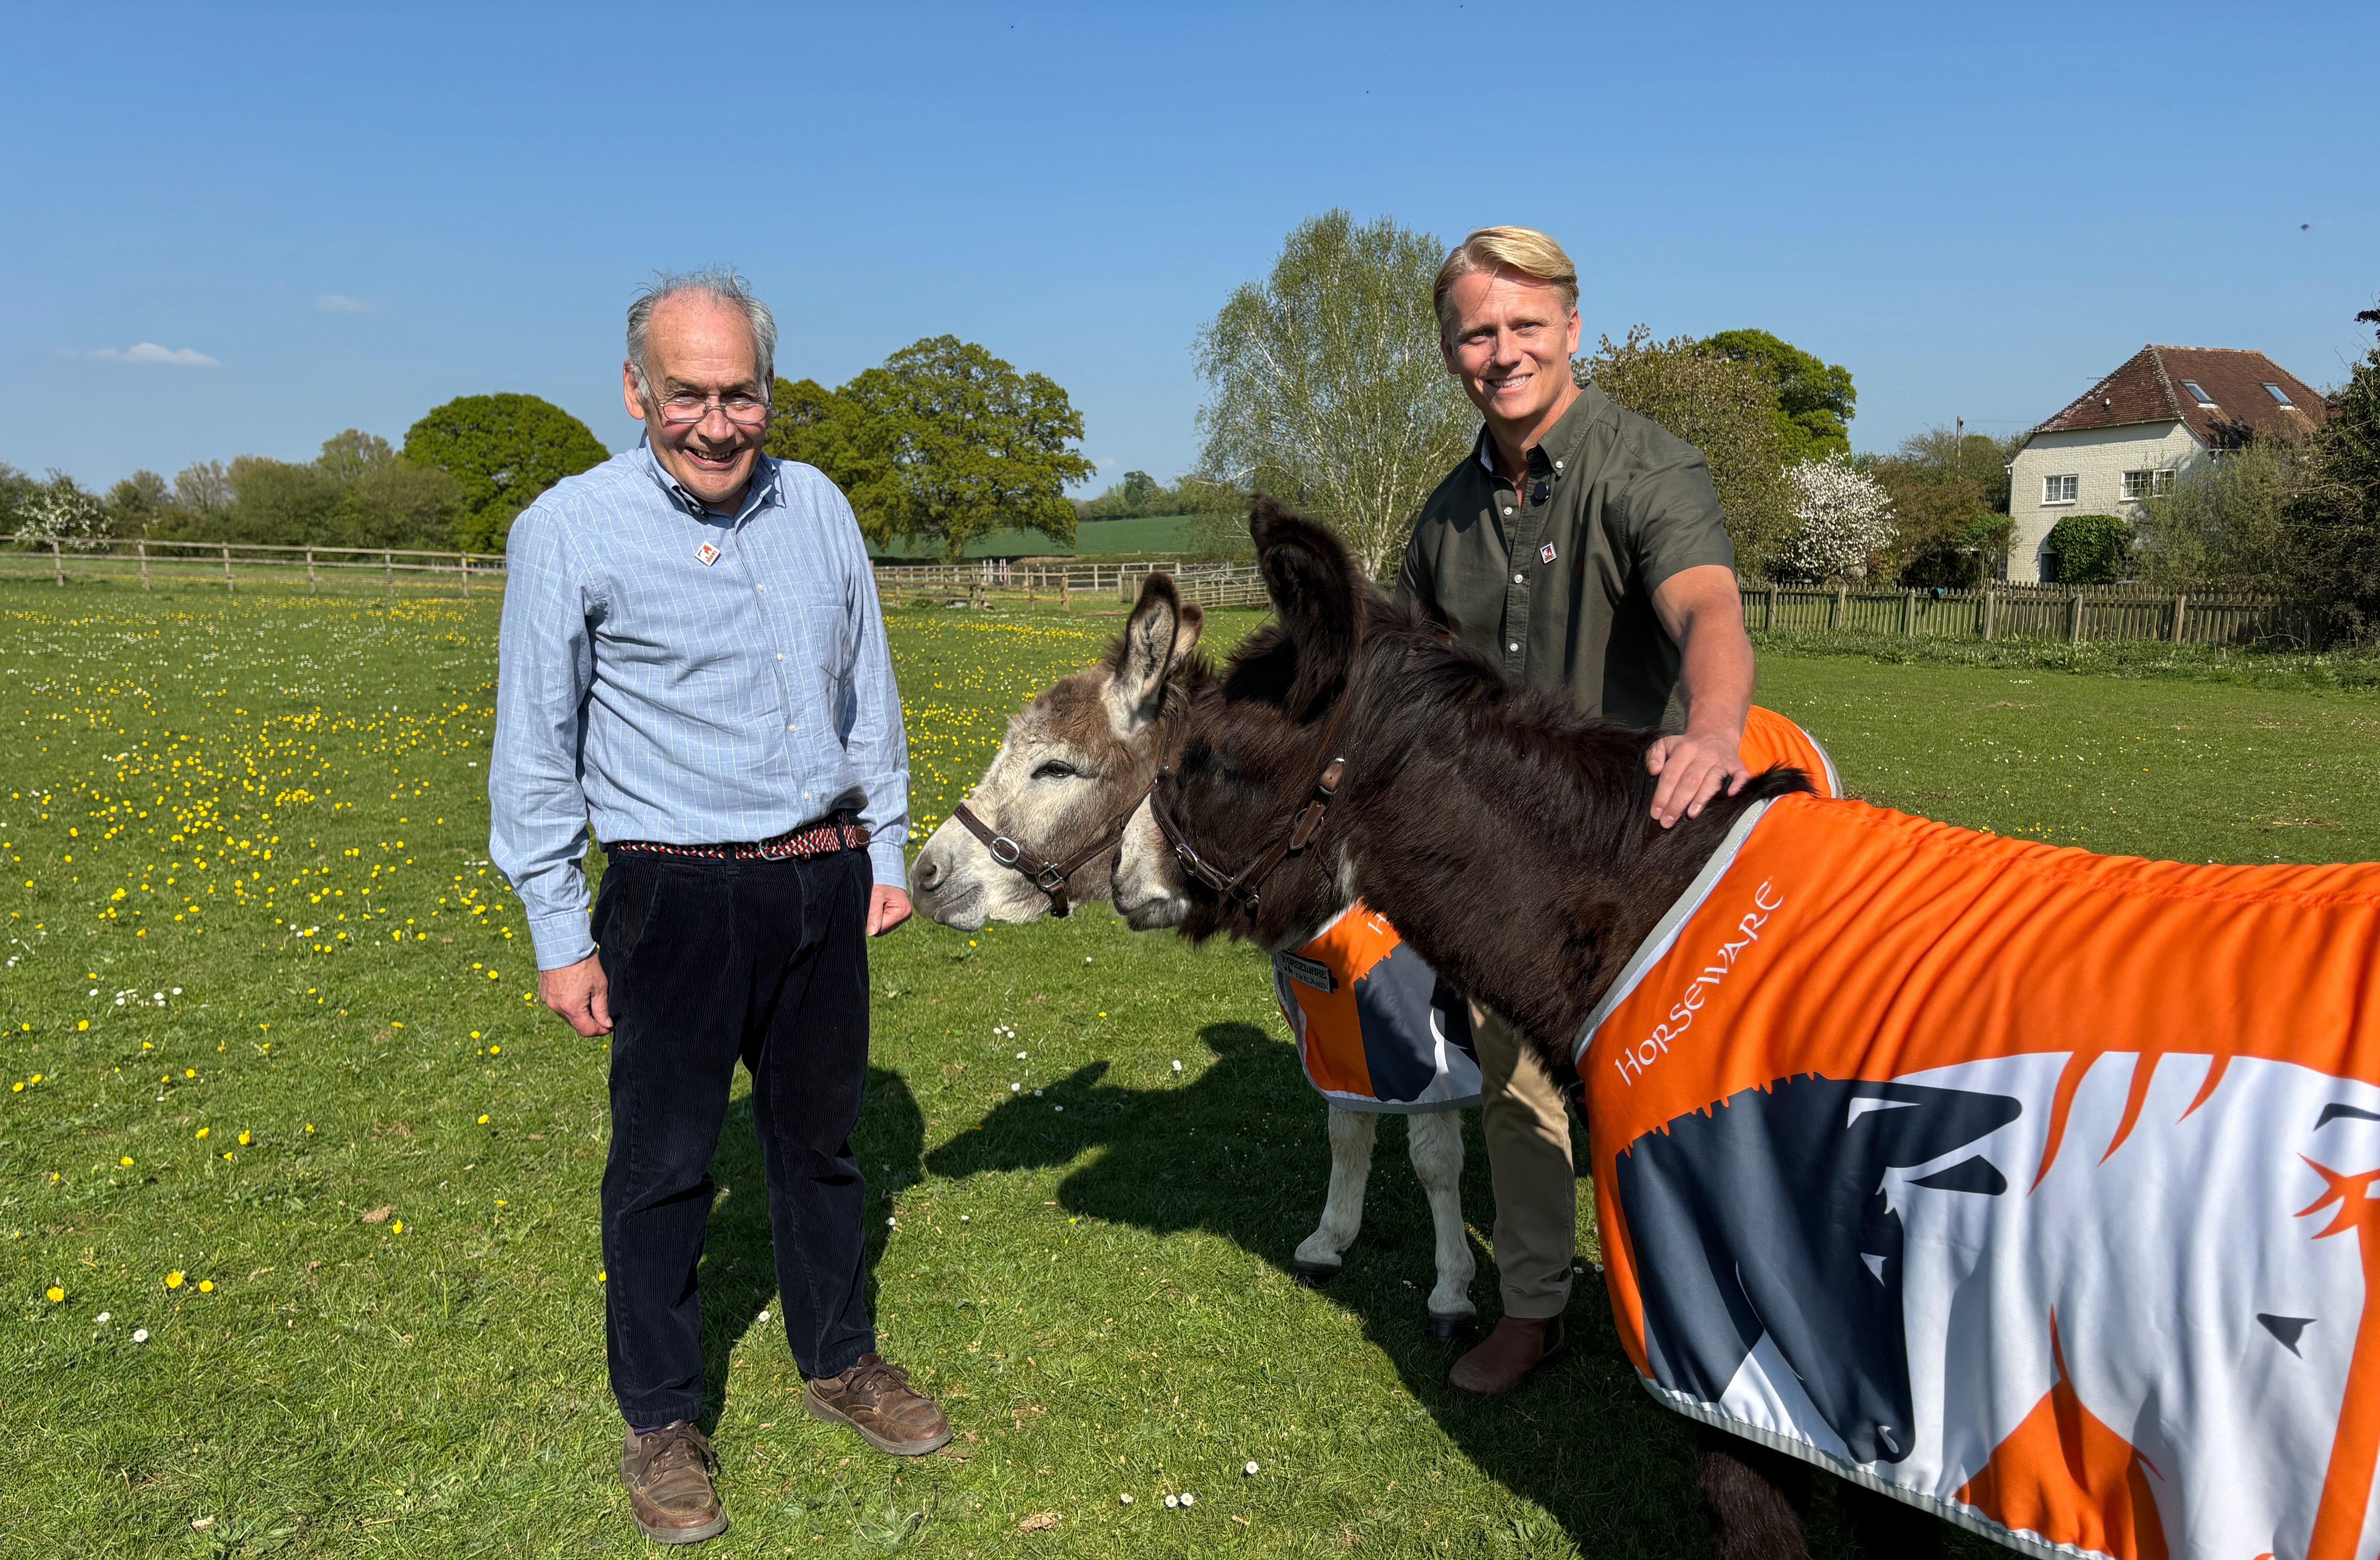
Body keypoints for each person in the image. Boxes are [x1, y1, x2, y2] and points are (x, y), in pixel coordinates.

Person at [490, 268, 948, 1547]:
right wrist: (555, 929)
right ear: (637, 390)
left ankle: (840, 1358)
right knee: (664, 1167)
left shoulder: (820, 509)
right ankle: (661, 1420)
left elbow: (872, 693)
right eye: (685, 393)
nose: (714, 420)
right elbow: (534, 746)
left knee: (820, 1145)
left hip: (822, 874)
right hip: (673, 894)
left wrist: (888, 848)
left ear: (768, 391)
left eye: (739, 392)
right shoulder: (569, 528)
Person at [1398, 227, 1756, 1396]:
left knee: (1677, 1092)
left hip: (1653, 841)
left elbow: (1708, 609)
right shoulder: (1443, 520)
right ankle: (1536, 1305)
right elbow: (1408, 692)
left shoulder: (1646, 468)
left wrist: (1710, 729)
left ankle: (1714, 1312)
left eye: (1524, 327)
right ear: (1451, 350)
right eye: (1477, 332)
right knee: (1514, 1088)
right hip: (1507, 867)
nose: (1503, 352)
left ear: (1573, 329)